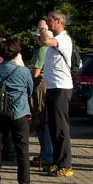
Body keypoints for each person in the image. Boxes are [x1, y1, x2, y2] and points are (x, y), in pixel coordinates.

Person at [0, 35, 35, 184]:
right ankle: (24, 183)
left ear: (0, 53)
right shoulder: (24, 71)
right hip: (19, 112)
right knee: (22, 148)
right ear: (17, 53)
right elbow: (30, 90)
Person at [37, 10, 75, 177]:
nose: (47, 22)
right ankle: (56, 160)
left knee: (60, 127)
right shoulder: (55, 39)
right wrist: (41, 31)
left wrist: (43, 29)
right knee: (53, 127)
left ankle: (65, 164)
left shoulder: (63, 39)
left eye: (50, 20)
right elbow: (42, 42)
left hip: (61, 87)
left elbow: (46, 40)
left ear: (59, 21)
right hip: (52, 87)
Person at [30, 36, 53, 168]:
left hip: (41, 87)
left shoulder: (43, 50)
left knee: (42, 120)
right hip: (49, 86)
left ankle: (46, 154)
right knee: (46, 121)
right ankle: (46, 153)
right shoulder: (52, 49)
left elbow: (36, 73)